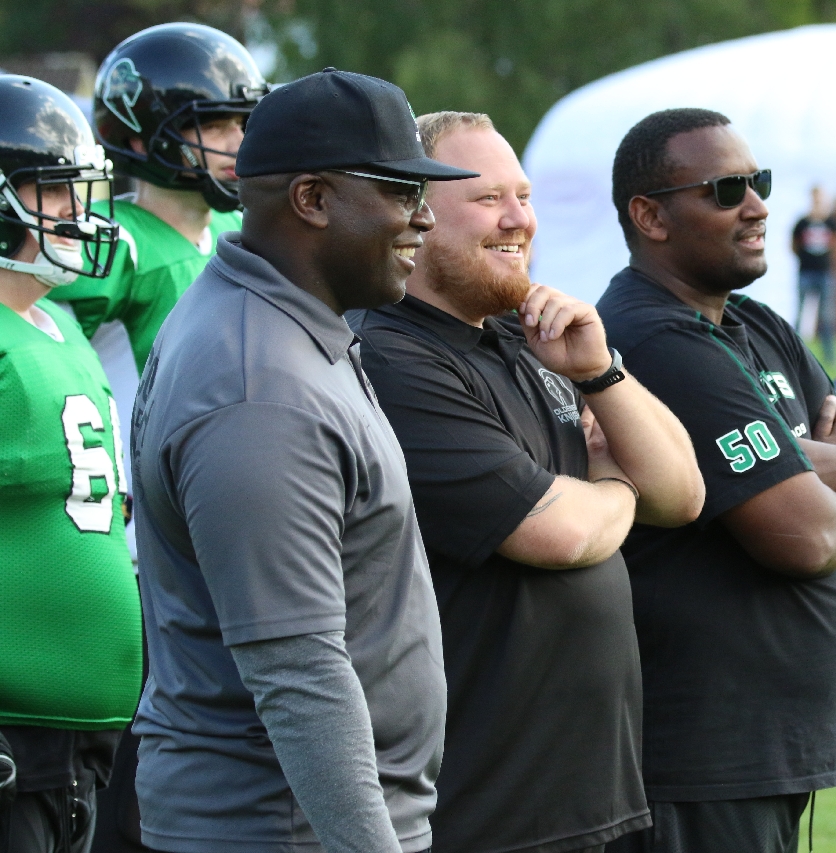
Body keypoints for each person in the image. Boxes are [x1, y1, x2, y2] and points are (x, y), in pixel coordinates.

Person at [128, 68, 477, 853]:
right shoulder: (257, 386)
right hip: (284, 827)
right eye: (401, 191)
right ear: (312, 199)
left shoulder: (274, 319)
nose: (424, 217)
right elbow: (299, 677)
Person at [353, 110, 704, 853]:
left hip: (588, 794)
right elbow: (556, 532)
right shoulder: (393, 357)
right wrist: (615, 485)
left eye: (525, 196)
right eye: (488, 199)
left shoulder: (530, 337)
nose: (520, 220)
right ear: (416, 213)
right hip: (482, 806)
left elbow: (681, 493)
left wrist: (600, 372)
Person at [597, 108, 836, 853]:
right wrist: (834, 472)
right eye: (727, 189)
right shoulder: (652, 337)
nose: (758, 206)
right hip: (700, 763)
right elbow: (811, 535)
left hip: (761, 756)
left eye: (758, 182)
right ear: (650, 216)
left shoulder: (757, 325)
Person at [49, 26, 267, 853]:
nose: (237, 143)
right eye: (216, 124)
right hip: (140, 553)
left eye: (244, 123)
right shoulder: (123, 242)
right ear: (146, 135)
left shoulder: (233, 231)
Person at [0, 74, 140, 853]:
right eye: (53, 189)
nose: (77, 211)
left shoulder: (58, 323)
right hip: (15, 735)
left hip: (82, 741)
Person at [791, 185, 836, 364]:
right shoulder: (802, 222)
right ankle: (794, 353)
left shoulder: (831, 222)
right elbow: (793, 244)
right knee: (800, 313)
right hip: (806, 272)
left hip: (825, 273)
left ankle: (830, 356)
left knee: (827, 316)